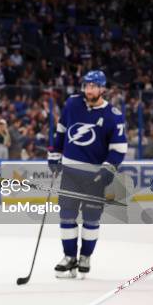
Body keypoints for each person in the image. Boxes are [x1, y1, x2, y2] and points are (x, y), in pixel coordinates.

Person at [48, 70, 127, 279]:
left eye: (93, 86)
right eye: (86, 85)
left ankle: (85, 257)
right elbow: (61, 130)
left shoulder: (113, 115)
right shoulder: (72, 104)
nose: (88, 89)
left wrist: (108, 169)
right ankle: (69, 257)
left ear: (102, 89)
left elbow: (118, 149)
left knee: (91, 219)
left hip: (94, 176)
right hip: (70, 172)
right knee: (66, 215)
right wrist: (54, 154)